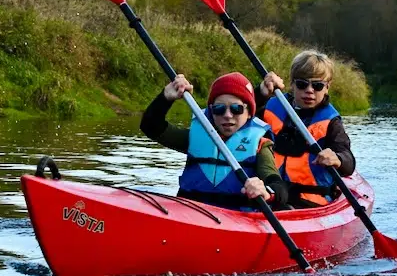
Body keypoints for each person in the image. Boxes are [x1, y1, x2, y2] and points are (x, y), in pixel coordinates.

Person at [140, 71, 290, 210]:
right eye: (219, 109)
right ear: (211, 112)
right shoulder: (195, 137)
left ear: (249, 113)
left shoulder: (260, 145)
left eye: (236, 109)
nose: (227, 115)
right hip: (189, 214)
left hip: (236, 221)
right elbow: (150, 127)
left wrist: (267, 192)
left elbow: (278, 186)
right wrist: (165, 98)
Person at [255, 50, 357, 209]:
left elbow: (349, 162)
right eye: (302, 84)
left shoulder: (331, 121)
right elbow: (237, 116)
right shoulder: (270, 106)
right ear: (292, 84)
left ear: (327, 87)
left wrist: (337, 158)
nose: (309, 90)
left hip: (310, 200)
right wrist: (260, 93)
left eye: (317, 85)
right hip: (270, 191)